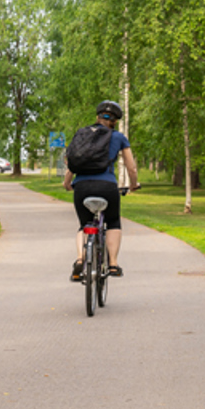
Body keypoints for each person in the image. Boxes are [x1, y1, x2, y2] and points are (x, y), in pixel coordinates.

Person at [64, 100, 140, 281]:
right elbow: (131, 168)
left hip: (81, 187)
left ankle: (80, 259)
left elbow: (73, 164)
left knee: (84, 224)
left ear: (97, 117)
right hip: (107, 187)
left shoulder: (82, 134)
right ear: (114, 121)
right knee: (113, 222)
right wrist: (133, 184)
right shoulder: (118, 137)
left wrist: (68, 183)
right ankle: (113, 264)